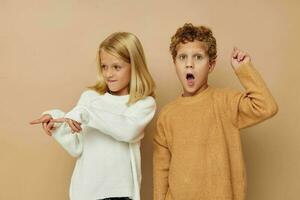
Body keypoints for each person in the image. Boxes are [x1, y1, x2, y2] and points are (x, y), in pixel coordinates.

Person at [153, 23, 278, 200]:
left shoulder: (225, 101)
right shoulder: (167, 115)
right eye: (182, 57)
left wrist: (244, 69)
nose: (189, 64)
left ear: (211, 65)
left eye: (197, 57)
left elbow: (266, 106)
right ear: (175, 63)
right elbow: (161, 170)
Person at [30, 32, 156, 200]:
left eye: (116, 67)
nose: (108, 74)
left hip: (121, 194)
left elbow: (128, 130)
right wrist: (57, 122)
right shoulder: (90, 98)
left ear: (135, 66)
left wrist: (86, 114)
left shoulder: (143, 103)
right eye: (104, 66)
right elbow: (77, 147)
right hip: (86, 193)